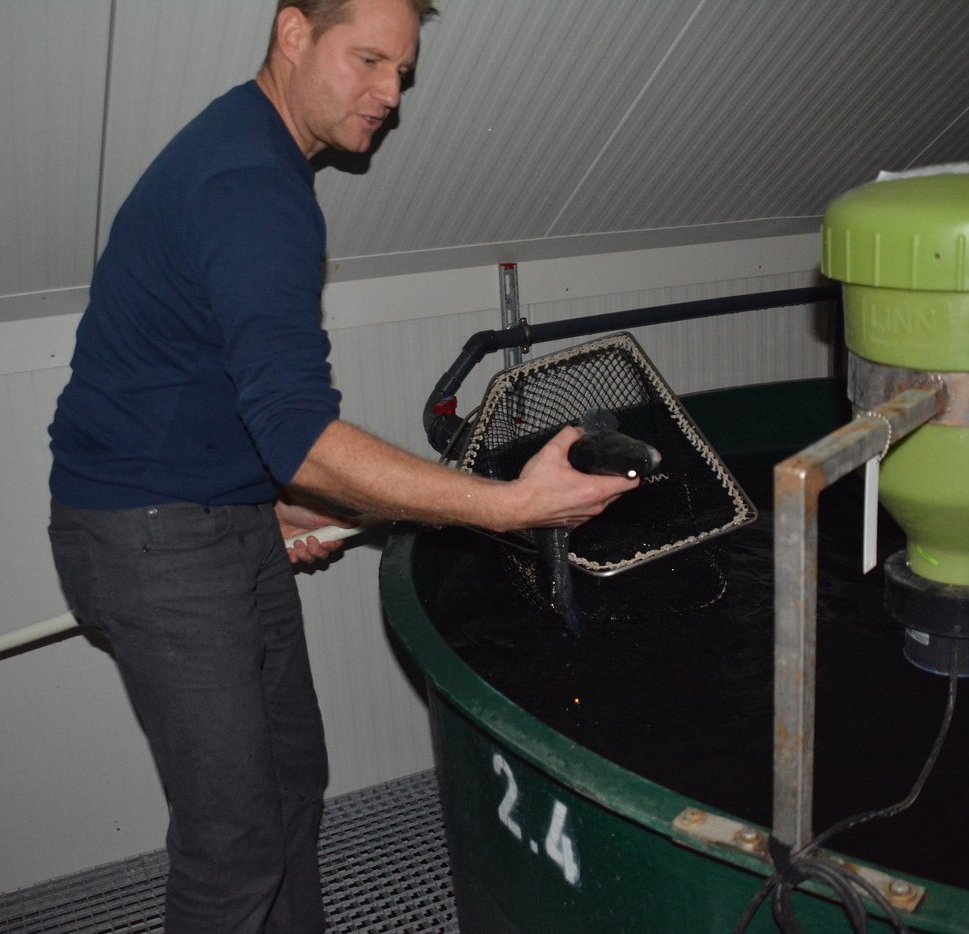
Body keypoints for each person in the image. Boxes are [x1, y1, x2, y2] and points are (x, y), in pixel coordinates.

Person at [46, 0, 640, 931]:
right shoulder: (250, 184)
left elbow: (209, 386)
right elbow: (299, 430)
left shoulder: (250, 152)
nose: (388, 94)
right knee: (232, 841)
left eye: (401, 72)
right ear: (293, 34)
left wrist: (264, 504)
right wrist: (507, 506)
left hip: (209, 507)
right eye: (367, 61)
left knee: (292, 780)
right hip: (149, 539)